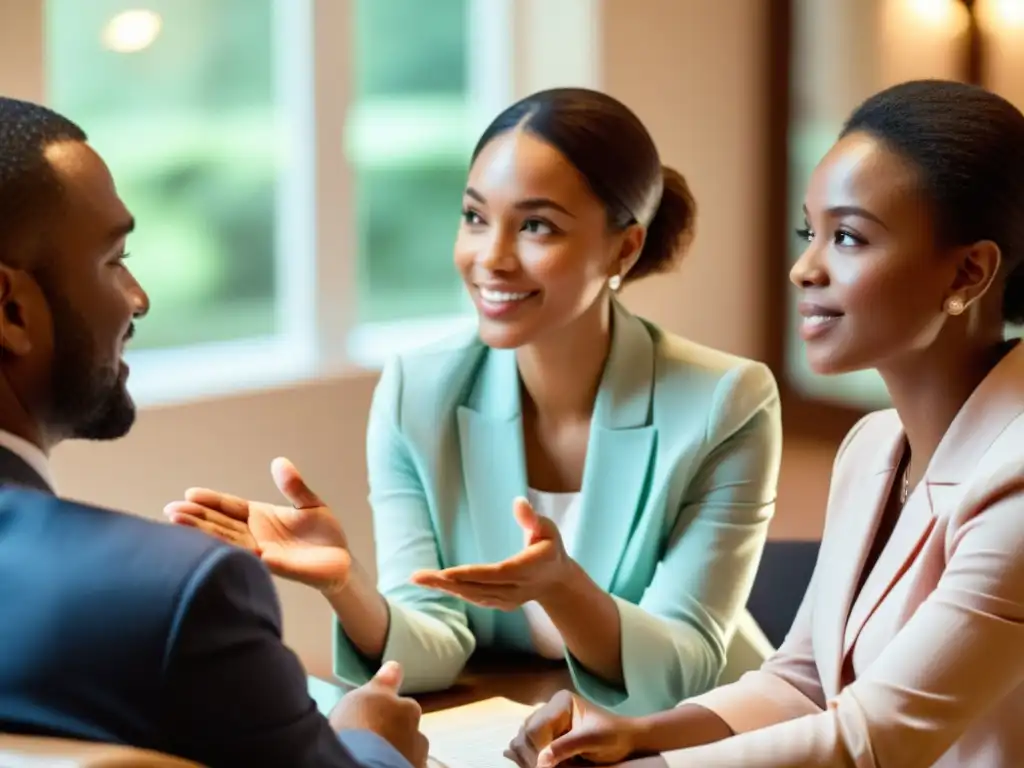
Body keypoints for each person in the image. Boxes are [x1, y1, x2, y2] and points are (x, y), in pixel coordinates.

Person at [166, 87, 782, 717]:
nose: (490, 258)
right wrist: (343, 579)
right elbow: (434, 640)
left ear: (624, 248)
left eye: (537, 225)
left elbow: (686, 665)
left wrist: (563, 588)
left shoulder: (725, 403)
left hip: (702, 734)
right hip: (516, 722)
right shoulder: (419, 393)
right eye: (475, 217)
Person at [505, 78, 1024, 768]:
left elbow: (876, 737)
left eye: (847, 237)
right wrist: (640, 732)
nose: (803, 269)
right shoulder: (871, 448)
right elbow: (803, 682)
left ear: (967, 274)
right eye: (810, 233)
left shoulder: (1015, 477)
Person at [0, 96, 426, 768]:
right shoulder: (171, 598)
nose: (137, 297)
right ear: (11, 310)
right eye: (114, 260)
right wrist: (372, 741)